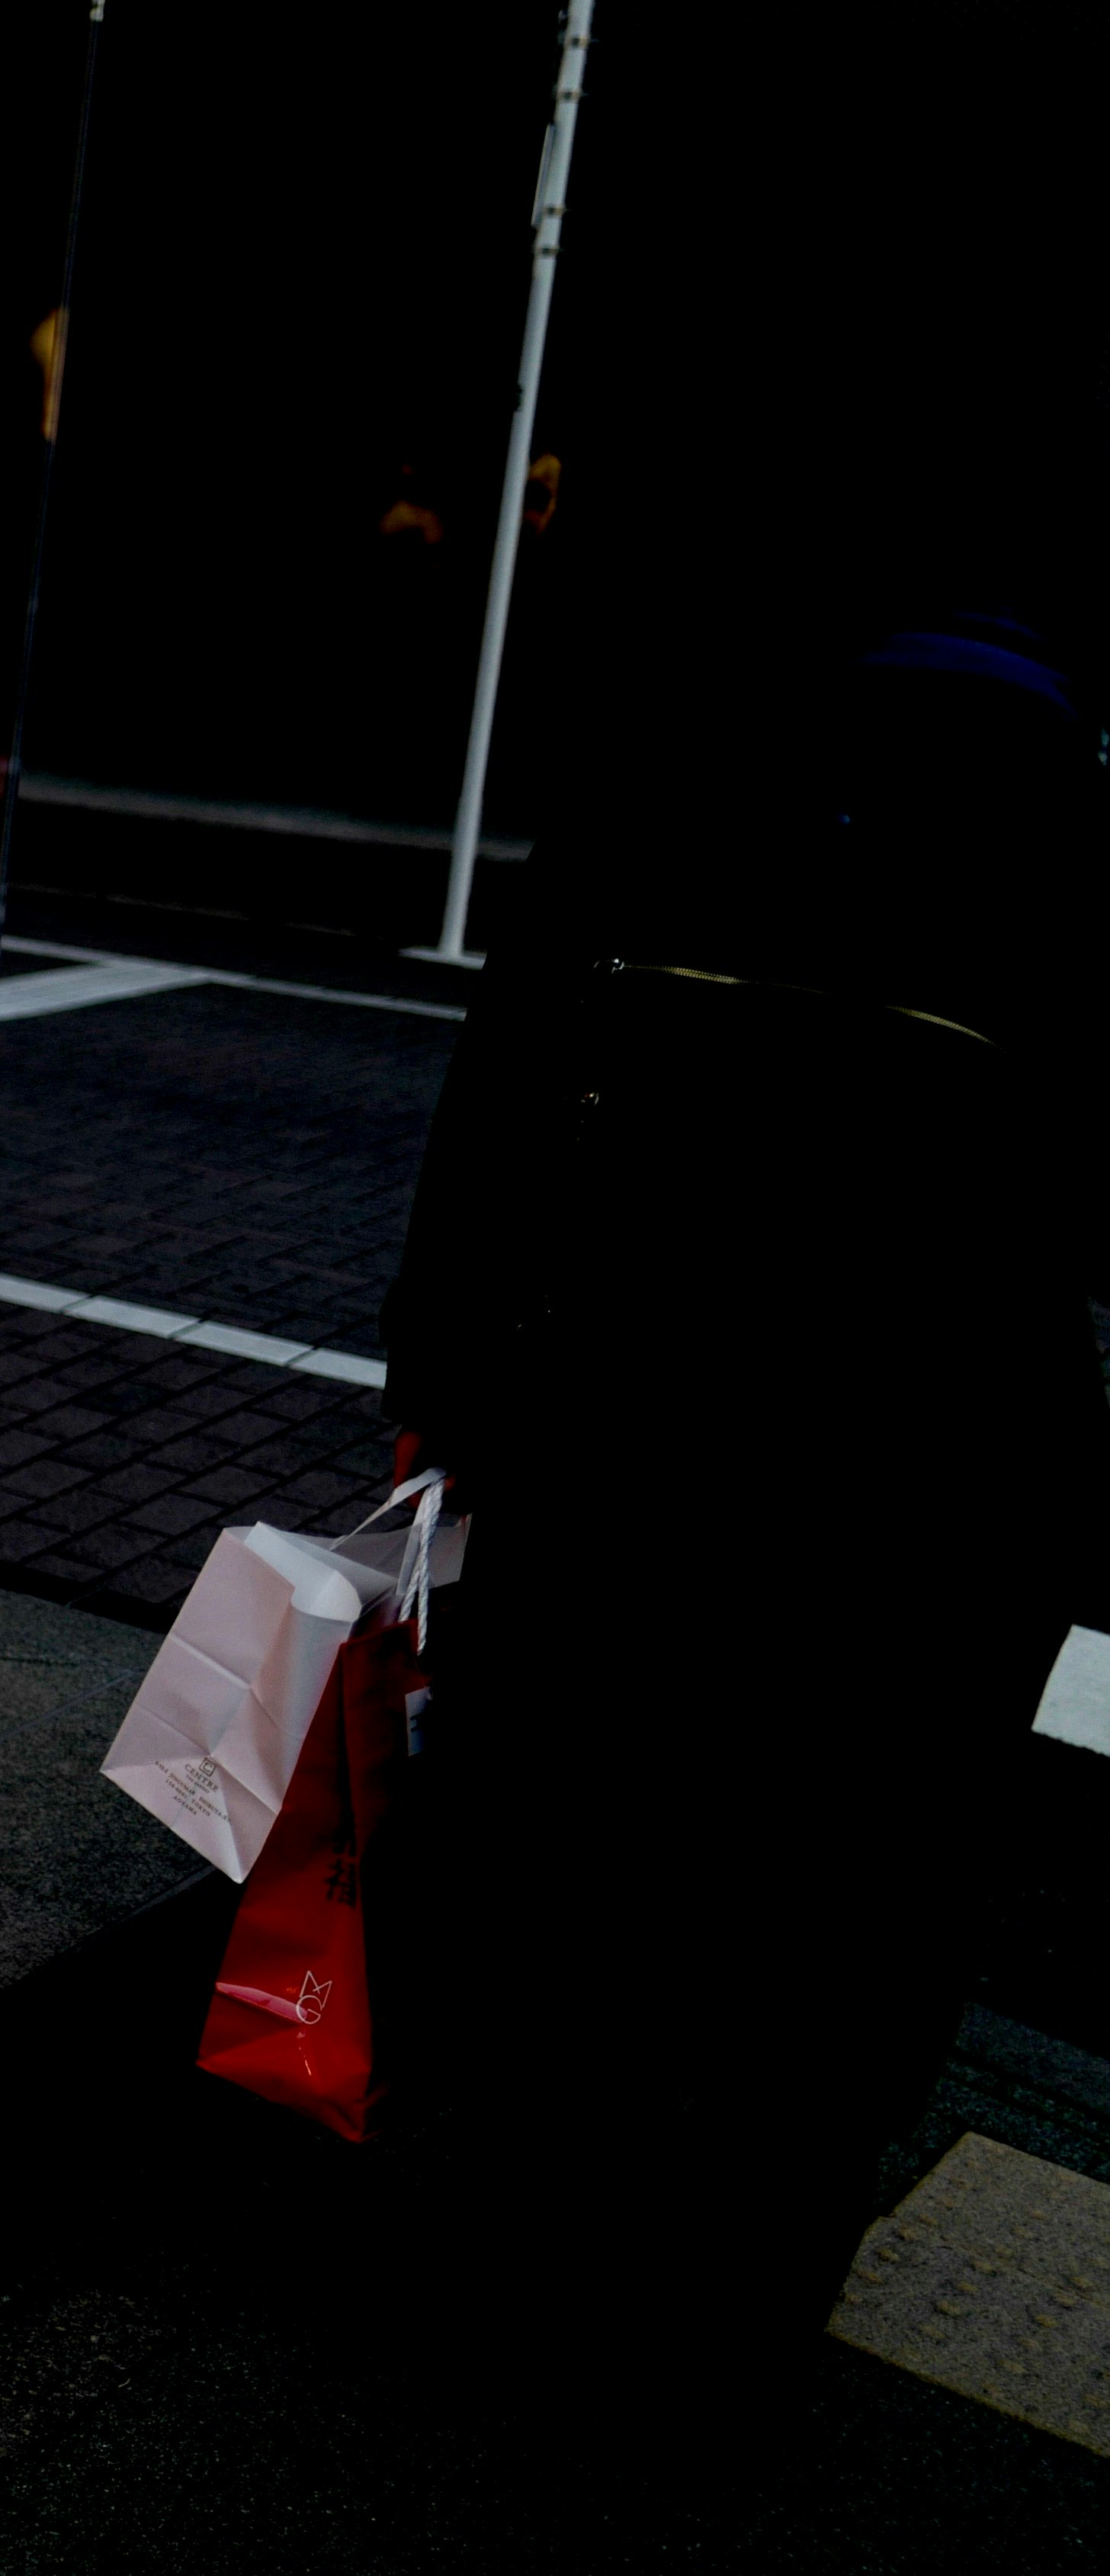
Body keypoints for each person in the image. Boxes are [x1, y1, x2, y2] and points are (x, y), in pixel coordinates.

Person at [380, 601, 1105, 2392]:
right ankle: (734, 2307)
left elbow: (495, 1114)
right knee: (863, 1901)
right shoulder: (1073, 882)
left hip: (619, 1422)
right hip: (936, 1485)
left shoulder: (659, 827)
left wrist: (441, 1384)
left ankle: (497, 2252)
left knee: (566, 1836)